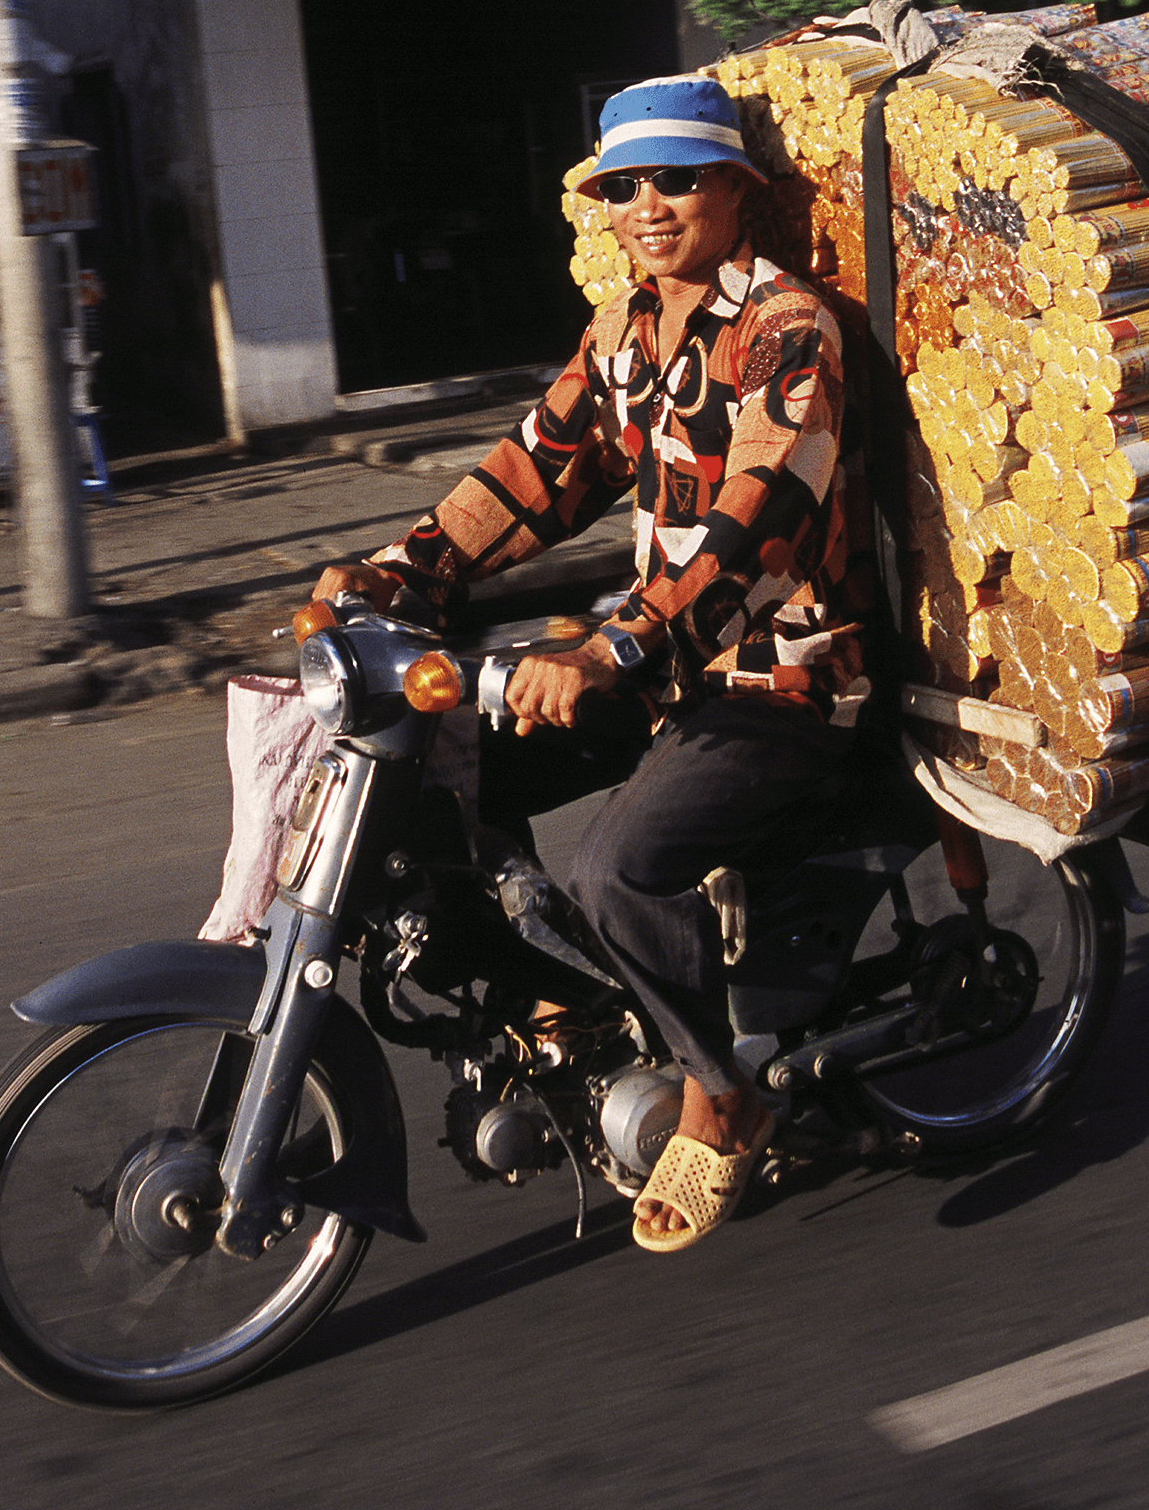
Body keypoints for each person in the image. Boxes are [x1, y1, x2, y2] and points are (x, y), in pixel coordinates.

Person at [311, 75, 870, 1252]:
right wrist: (394, 574)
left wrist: (618, 643)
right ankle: (565, 1000)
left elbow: (759, 519)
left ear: (733, 189)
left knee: (622, 869)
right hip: (662, 668)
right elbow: (535, 475)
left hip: (783, 670)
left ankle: (724, 1100)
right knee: (445, 767)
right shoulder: (625, 335)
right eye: (625, 185)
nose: (650, 204)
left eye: (677, 178)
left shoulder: (786, 328)